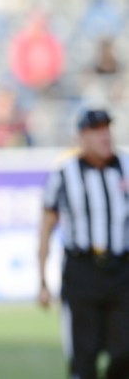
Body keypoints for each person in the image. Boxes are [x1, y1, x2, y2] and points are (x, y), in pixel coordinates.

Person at [38, 108, 129, 379]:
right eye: (96, 130)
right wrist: (42, 280)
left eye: (107, 129)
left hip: (123, 270)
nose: (104, 136)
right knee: (84, 358)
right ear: (82, 137)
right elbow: (46, 227)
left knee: (125, 352)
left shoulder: (125, 166)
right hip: (83, 270)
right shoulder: (64, 173)